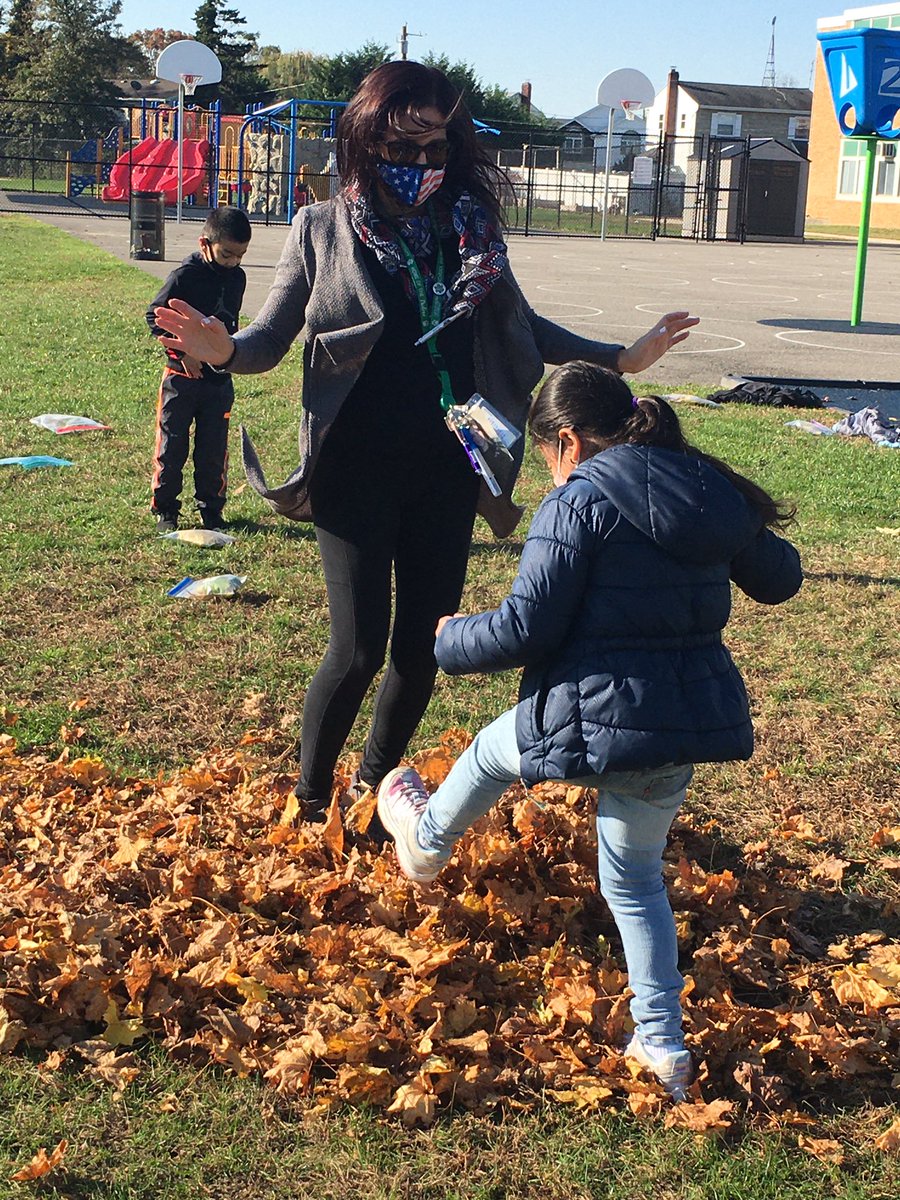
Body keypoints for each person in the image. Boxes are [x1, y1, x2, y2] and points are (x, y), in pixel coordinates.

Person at [150, 61, 698, 820]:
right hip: (352, 469)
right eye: (401, 147)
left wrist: (619, 358)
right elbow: (271, 337)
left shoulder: (472, 229)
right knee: (357, 650)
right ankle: (310, 803)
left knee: (423, 647)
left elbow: (523, 328)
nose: (418, 165)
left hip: (447, 468)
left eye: (434, 148)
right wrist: (222, 350)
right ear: (367, 140)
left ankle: (374, 788)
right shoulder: (321, 227)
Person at [376, 362, 802, 1100]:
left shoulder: (578, 504)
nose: (549, 473)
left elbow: (525, 628)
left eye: (546, 457)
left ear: (568, 441)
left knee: (488, 751)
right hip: (681, 727)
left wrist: (448, 639)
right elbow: (781, 577)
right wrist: (734, 519)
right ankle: (663, 1045)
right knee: (635, 882)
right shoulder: (701, 485)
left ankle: (425, 841)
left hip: (587, 721)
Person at [146, 206, 252, 532]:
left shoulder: (238, 278)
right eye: (227, 254)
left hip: (218, 380)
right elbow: (155, 317)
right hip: (180, 379)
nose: (233, 262)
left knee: (214, 448)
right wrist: (182, 351)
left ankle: (211, 509)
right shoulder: (184, 277)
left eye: (240, 255)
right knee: (172, 444)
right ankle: (166, 509)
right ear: (205, 243)